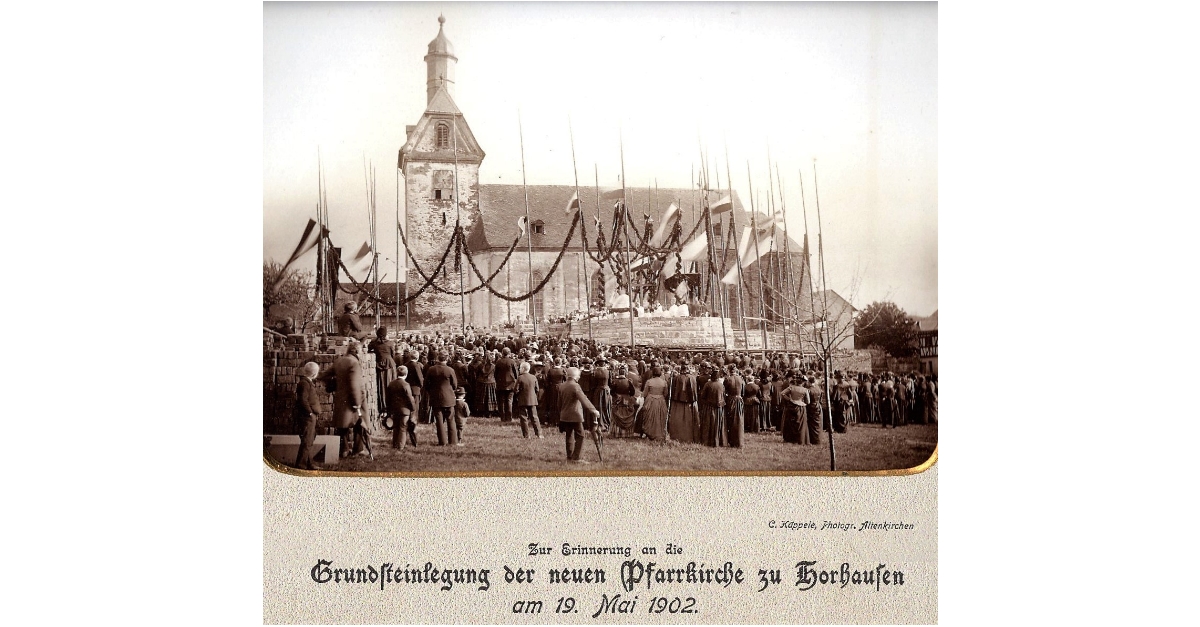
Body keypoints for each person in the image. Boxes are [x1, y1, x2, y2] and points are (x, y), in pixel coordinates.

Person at [322, 340, 372, 459]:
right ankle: (358, 449)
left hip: (341, 397)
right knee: (360, 423)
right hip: (354, 398)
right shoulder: (354, 363)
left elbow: (324, 375)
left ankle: (344, 449)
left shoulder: (339, 360)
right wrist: (357, 403)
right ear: (356, 351)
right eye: (360, 351)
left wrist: (334, 384)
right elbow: (354, 384)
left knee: (342, 425)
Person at [557, 367, 600, 463]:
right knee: (581, 435)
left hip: (564, 415)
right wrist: (593, 410)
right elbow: (584, 399)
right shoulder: (575, 386)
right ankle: (576, 458)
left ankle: (569, 457)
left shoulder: (562, 385)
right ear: (575, 376)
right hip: (575, 415)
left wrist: (561, 414)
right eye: (579, 376)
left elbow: (558, 403)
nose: (579, 377)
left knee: (569, 435)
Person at [424, 351, 459, 445]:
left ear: (438, 358)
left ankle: (442, 441)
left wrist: (432, 391)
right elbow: (455, 385)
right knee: (450, 420)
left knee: (439, 421)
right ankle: (453, 441)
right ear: (447, 359)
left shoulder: (431, 369)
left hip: (436, 397)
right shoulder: (450, 370)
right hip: (448, 397)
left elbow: (426, 384)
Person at [293, 362, 322, 470]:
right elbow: (302, 400)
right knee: (307, 441)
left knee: (309, 439)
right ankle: (301, 465)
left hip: (310, 416)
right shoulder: (304, 383)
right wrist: (309, 413)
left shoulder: (306, 382)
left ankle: (309, 463)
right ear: (314, 374)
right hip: (307, 417)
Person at [368, 326, 398, 417]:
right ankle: (392, 408)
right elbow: (393, 354)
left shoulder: (374, 343)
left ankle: (383, 408)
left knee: (382, 387)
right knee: (391, 386)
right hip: (390, 366)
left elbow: (369, 349)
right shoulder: (390, 343)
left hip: (380, 366)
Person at [385, 365, 417, 448]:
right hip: (405, 410)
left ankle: (395, 444)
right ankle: (400, 446)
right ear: (406, 374)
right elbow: (410, 398)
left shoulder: (391, 384)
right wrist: (413, 408)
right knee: (403, 427)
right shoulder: (406, 385)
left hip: (394, 409)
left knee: (396, 427)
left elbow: (387, 398)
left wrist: (389, 408)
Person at [666, 363, 698, 443]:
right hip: (688, 404)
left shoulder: (676, 378)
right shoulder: (692, 378)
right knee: (688, 421)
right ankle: (687, 437)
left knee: (677, 420)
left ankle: (676, 436)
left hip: (677, 403)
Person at [639, 366, 669, 442]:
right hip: (660, 401)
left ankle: (649, 432)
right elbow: (666, 393)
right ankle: (659, 433)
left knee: (648, 416)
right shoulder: (664, 382)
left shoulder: (649, 381)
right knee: (660, 417)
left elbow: (645, 393)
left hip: (650, 400)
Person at [609, 364, 640, 437]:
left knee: (617, 414)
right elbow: (632, 392)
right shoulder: (628, 381)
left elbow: (612, 392)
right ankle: (626, 433)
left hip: (617, 400)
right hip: (627, 400)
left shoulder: (615, 381)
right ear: (625, 373)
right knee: (626, 414)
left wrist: (616, 396)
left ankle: (616, 433)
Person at [698, 366, 726, 447]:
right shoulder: (721, 385)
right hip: (719, 407)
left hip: (709, 407)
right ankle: (719, 440)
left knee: (708, 424)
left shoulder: (708, 384)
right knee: (718, 424)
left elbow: (703, 395)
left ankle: (707, 440)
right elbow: (723, 395)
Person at [514, 361, 542, 439]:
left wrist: (518, 395)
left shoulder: (520, 377)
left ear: (523, 369)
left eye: (520, 368)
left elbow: (516, 389)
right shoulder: (533, 377)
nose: (519, 370)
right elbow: (537, 389)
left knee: (523, 418)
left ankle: (526, 435)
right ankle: (539, 434)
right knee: (535, 417)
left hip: (523, 400)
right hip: (532, 399)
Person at [494, 347, 519, 423]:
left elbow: (495, 374)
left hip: (501, 384)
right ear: (509, 353)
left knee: (501, 401)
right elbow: (516, 374)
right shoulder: (512, 362)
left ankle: (503, 417)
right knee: (509, 401)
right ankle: (509, 417)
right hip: (510, 384)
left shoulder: (498, 362)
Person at [724, 365, 745, 448]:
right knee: (739, 420)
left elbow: (724, 391)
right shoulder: (741, 379)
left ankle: (732, 440)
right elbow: (743, 392)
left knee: (731, 420)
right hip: (739, 400)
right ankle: (739, 440)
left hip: (731, 400)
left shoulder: (728, 379)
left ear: (729, 370)